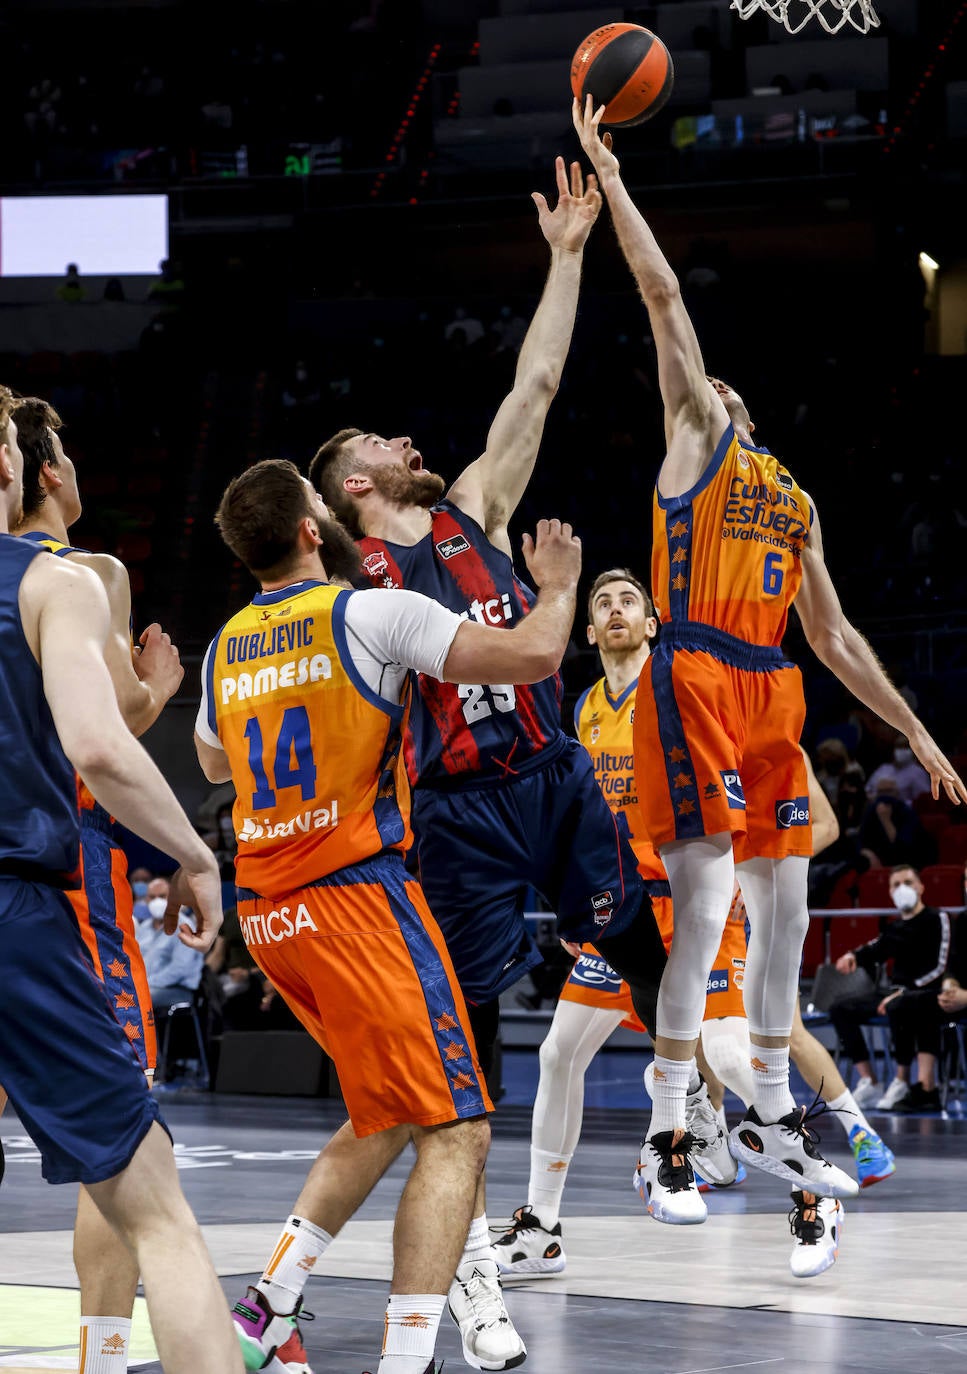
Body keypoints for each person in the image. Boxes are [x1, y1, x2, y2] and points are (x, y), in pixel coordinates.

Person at [571, 93, 967, 1223]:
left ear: (751, 411)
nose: (709, 388)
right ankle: (668, 1124)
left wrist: (916, 731)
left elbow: (835, 636)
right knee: (700, 908)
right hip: (692, 668)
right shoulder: (690, 438)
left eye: (724, 389)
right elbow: (659, 297)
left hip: (771, 688)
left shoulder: (791, 497)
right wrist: (613, 179)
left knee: (780, 916)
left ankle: (775, 1108)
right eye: (702, 385)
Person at [309, 156, 668, 1358]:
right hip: (454, 818)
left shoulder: (470, 507)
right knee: (455, 1080)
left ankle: (700, 1122)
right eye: (380, 441)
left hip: (553, 779)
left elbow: (539, 381)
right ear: (358, 488)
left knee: (646, 951)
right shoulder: (351, 588)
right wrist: (553, 602)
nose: (411, 438)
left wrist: (567, 257)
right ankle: (466, 1275)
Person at [196, 458, 583, 1374]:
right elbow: (531, 658)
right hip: (355, 896)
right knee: (456, 1126)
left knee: (387, 1113)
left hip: (267, 915)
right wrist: (558, 589)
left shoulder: (222, 646)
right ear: (307, 530)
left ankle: (268, 1304)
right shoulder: (365, 609)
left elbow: (215, 765)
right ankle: (407, 1360)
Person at [0, 394, 242, 1372]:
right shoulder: (67, 575)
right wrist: (192, 853)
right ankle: (106, 1356)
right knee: (153, 1201)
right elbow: (102, 738)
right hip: (32, 897)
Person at [494, 567, 746, 1279]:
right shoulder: (582, 710)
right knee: (555, 1056)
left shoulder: (679, 690)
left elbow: (731, 790)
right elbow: (575, 816)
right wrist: (579, 893)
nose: (613, 609)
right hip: (623, 906)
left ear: (651, 621)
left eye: (627, 600)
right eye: (601, 601)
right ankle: (542, 1228)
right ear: (587, 627)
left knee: (730, 1054)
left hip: (689, 905)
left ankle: (809, 1181)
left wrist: (732, 883)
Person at [832, 864, 954, 1112]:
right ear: (889, 892)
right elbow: (876, 948)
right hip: (893, 991)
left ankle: (901, 1080)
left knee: (901, 1006)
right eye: (896, 885)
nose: (902, 889)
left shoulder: (936, 918)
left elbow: (942, 964)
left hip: (924, 992)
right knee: (840, 1009)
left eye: (908, 883)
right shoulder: (894, 926)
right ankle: (869, 1080)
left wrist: (908, 991)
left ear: (921, 887)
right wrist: (853, 956)